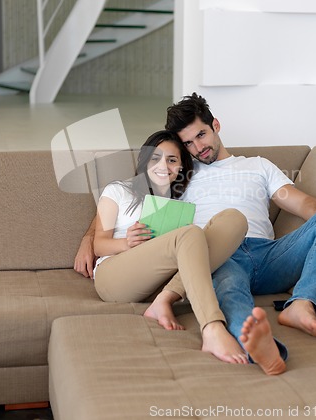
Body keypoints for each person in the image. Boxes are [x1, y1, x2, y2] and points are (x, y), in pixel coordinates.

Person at [164, 93, 316, 375]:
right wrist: (88, 238)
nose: (198, 147)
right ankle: (265, 349)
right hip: (220, 256)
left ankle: (302, 302)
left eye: (201, 135)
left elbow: (302, 203)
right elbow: (125, 197)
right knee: (229, 290)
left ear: (216, 125)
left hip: (270, 256)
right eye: (188, 143)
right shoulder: (179, 173)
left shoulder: (258, 165)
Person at [88, 129, 248, 365]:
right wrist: (126, 242)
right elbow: (99, 245)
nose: (163, 165)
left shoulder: (181, 203)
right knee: (190, 233)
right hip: (114, 277)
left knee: (234, 219)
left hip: (163, 280)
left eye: (172, 160)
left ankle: (164, 299)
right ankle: (212, 328)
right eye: (156, 158)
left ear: (181, 167)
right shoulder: (118, 191)